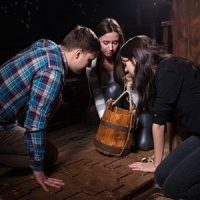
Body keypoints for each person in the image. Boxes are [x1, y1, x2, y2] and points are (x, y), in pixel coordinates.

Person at [0, 25, 100, 192]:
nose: (88, 65)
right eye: (89, 59)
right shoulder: (53, 71)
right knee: (49, 155)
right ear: (78, 53)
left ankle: (26, 144)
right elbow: (35, 122)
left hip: (7, 119)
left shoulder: (46, 45)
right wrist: (39, 171)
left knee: (56, 97)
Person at [120, 35, 200, 199]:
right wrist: (171, 158)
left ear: (136, 58)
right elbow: (171, 119)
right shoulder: (158, 72)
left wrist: (156, 163)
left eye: (125, 63)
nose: (126, 69)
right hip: (198, 135)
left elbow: (159, 124)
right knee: (161, 177)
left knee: (173, 189)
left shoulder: (168, 68)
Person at [86, 18, 153, 151]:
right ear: (97, 41)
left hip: (135, 106)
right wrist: (107, 123)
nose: (111, 48)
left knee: (145, 145)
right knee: (112, 89)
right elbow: (98, 96)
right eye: (105, 43)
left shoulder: (126, 57)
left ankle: (134, 131)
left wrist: (134, 118)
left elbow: (136, 90)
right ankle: (119, 132)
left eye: (115, 42)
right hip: (115, 111)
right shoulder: (92, 65)